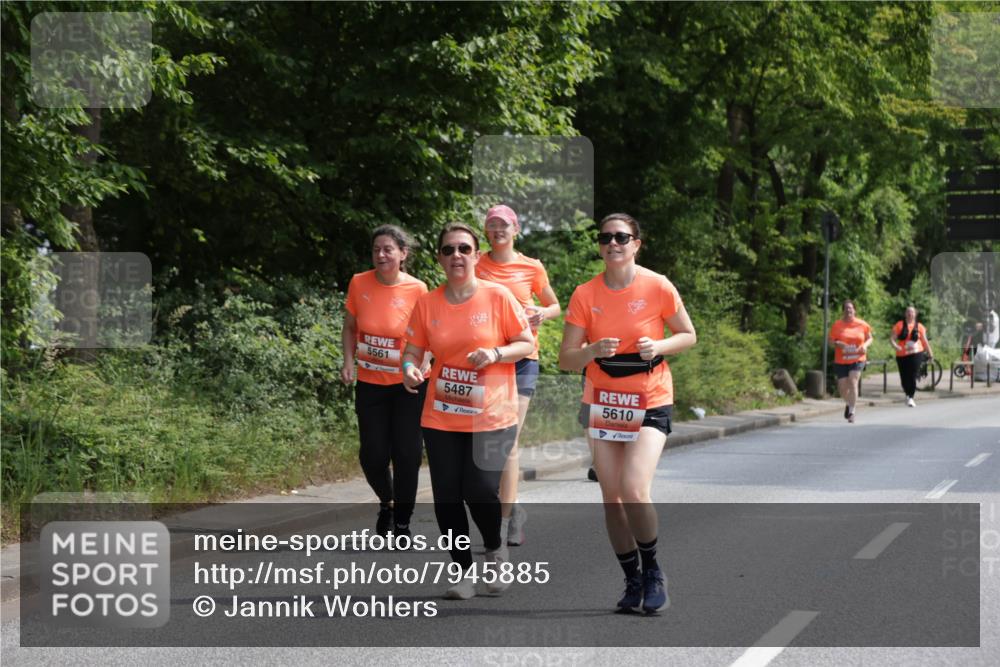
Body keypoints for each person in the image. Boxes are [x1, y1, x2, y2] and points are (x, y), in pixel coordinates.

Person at [559, 213, 696, 615]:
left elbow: (688, 334)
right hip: (604, 402)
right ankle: (631, 578)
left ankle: (653, 571)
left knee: (634, 489)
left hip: (650, 397)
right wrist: (590, 351)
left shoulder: (657, 286)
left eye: (622, 237)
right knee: (612, 499)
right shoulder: (585, 293)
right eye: (606, 238)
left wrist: (660, 346)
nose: (613, 243)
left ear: (637, 243)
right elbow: (566, 359)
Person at [401, 223, 534, 599]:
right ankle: (461, 570)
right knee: (446, 494)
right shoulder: (428, 303)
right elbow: (413, 349)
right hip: (441, 412)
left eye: (463, 249)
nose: (456, 255)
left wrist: (495, 353)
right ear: (440, 259)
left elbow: (525, 343)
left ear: (476, 255)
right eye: (448, 250)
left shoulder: (498, 297)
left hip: (493, 413)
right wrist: (410, 368)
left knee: (479, 489)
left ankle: (495, 550)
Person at [477, 204, 561, 546]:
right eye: (492, 225)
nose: (498, 230)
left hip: (523, 359)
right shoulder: (475, 261)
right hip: (484, 361)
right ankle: (511, 506)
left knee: (507, 442)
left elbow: (555, 305)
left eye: (504, 225)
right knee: (485, 444)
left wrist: (543, 311)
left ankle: (504, 519)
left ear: (516, 230)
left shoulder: (531, 267)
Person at [341, 225, 429, 539]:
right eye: (377, 249)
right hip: (370, 382)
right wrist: (348, 361)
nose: (381, 255)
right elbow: (350, 327)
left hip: (409, 385)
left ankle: (402, 521)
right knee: (372, 454)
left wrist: (420, 366)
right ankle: (387, 503)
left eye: (388, 249)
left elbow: (428, 336)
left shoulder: (418, 289)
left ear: (403, 254)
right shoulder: (359, 282)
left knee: (407, 454)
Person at [828, 299, 873, 423]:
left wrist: (864, 346)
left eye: (851, 308)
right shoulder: (837, 325)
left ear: (854, 310)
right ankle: (848, 403)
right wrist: (838, 343)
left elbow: (870, 338)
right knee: (842, 387)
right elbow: (830, 341)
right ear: (843, 310)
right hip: (841, 360)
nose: (848, 310)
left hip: (857, 358)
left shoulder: (862, 324)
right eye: (846, 308)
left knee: (853, 382)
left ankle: (852, 411)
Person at [891, 306, 934, 407]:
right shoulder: (899, 325)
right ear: (905, 314)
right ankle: (907, 394)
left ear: (915, 314)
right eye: (908, 312)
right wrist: (895, 346)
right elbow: (892, 339)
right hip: (902, 354)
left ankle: (911, 396)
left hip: (916, 353)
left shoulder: (920, 326)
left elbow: (924, 341)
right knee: (904, 376)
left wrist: (930, 353)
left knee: (913, 375)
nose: (910, 314)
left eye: (912, 312)